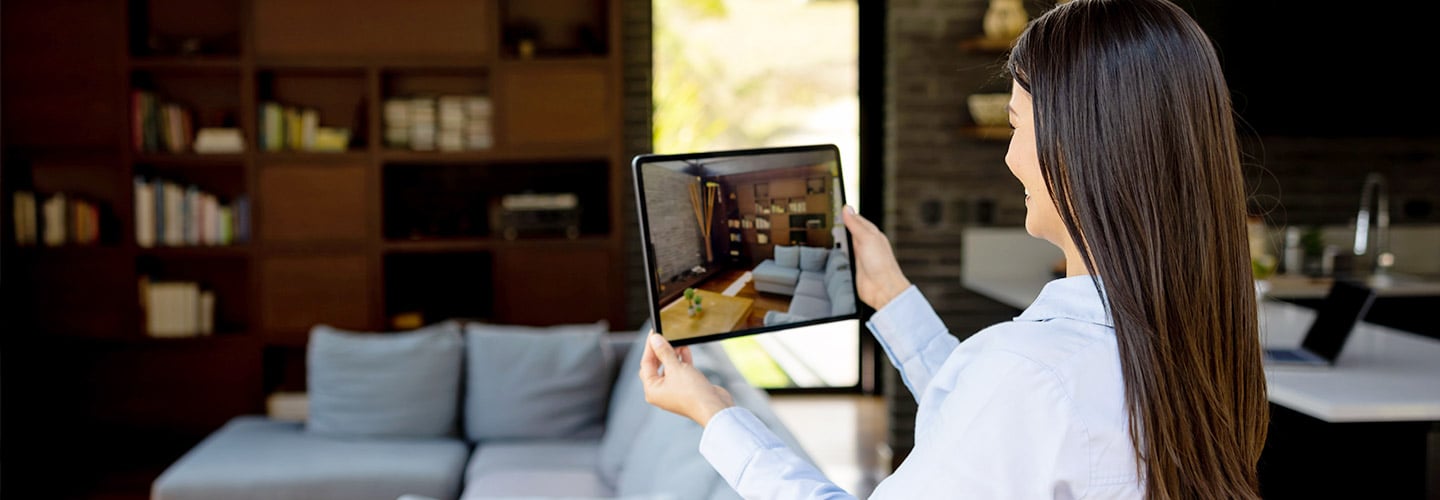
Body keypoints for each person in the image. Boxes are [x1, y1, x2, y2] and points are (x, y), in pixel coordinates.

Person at [638, 0, 1269, 498]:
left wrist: (714, 412)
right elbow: (1002, 428)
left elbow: (1015, 403)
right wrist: (888, 293)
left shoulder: (1029, 371)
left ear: (1078, 150)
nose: (1008, 154)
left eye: (1017, 124)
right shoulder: (1201, 342)